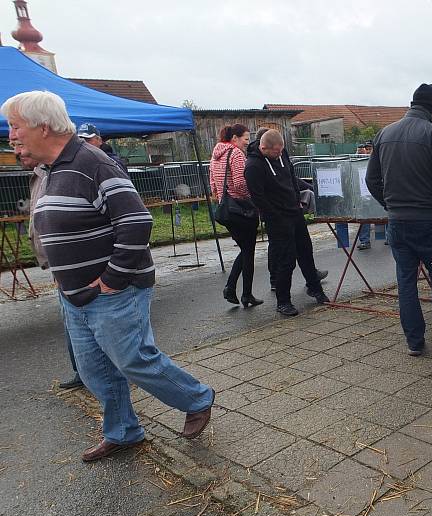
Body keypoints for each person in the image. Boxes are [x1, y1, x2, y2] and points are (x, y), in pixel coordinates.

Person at [2, 91, 215, 462]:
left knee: (133, 359)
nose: (11, 136)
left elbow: (136, 222)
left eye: (16, 127)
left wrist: (112, 280)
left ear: (45, 126)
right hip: (73, 293)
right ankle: (123, 432)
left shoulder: (92, 162)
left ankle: (197, 398)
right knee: (94, 369)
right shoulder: (49, 170)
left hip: (113, 291)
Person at [366, 84, 432, 356]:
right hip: (430, 220)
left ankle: (414, 341)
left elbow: (371, 180)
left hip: (397, 221)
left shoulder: (384, 133)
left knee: (406, 281)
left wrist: (390, 204)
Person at [14, 145, 84, 390]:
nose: (17, 152)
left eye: (21, 145)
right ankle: (84, 372)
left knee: (83, 323)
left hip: (71, 264)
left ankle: (95, 373)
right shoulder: (39, 173)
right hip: (58, 265)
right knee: (72, 323)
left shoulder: (60, 171)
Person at [245, 129, 329, 316]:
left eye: (280, 151)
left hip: (295, 212)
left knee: (306, 252)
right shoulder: (253, 166)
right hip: (276, 219)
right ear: (264, 147)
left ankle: (315, 289)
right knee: (286, 260)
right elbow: (258, 198)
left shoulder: (282, 153)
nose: (278, 155)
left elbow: (291, 176)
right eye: (275, 152)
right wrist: (275, 216)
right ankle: (283, 301)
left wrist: (297, 200)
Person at [209, 124, 263, 307]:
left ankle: (233, 288)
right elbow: (240, 183)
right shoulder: (236, 154)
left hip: (226, 209)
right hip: (241, 209)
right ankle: (243, 293)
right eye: (246, 139)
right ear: (234, 138)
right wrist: (253, 197)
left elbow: (213, 184)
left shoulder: (216, 154)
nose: (247, 143)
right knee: (248, 252)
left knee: (245, 250)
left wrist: (221, 198)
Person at [355, 141, 386, 250]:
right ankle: (365, 240)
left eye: (370, 149)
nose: (368, 151)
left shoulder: (380, 159)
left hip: (378, 191)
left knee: (385, 213)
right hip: (365, 194)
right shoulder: (358, 161)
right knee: (365, 216)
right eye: (366, 149)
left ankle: (388, 238)